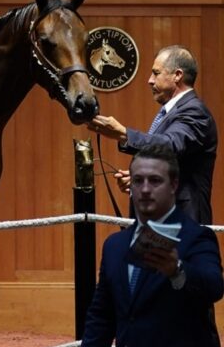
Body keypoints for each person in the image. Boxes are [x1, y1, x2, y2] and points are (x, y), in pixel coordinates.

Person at [74, 144, 224, 347]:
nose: (144, 189)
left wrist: (178, 270)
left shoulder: (196, 238)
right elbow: (101, 316)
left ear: (173, 186)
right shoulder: (114, 246)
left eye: (154, 181)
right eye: (138, 180)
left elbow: (213, 287)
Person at [87, 44, 217, 224]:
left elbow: (170, 146)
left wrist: (124, 134)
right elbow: (174, 164)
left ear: (177, 75)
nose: (149, 80)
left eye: (156, 73)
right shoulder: (172, 112)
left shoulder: (195, 112)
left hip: (182, 225)